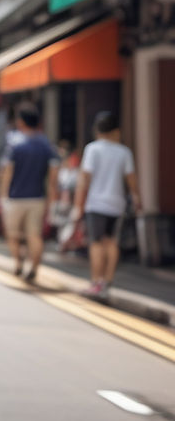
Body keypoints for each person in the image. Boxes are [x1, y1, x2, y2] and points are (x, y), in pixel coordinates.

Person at [74, 111, 141, 298]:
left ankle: (96, 281)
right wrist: (137, 198)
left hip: (96, 203)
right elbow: (131, 179)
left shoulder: (92, 149)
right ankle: (107, 281)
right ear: (116, 130)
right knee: (112, 242)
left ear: (97, 129)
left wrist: (77, 205)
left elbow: (84, 178)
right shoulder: (124, 151)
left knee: (96, 243)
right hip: (116, 203)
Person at [0, 104, 58, 284]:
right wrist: (51, 196)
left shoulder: (15, 143)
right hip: (38, 198)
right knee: (34, 235)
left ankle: (18, 264)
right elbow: (54, 173)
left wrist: (2, 194)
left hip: (16, 198)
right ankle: (34, 269)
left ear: (21, 121)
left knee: (13, 234)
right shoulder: (45, 144)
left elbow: (8, 171)